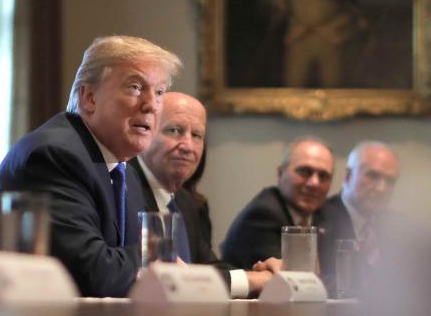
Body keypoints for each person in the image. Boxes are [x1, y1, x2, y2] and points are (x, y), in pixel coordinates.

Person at [0, 35, 181, 297]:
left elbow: (128, 268)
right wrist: (158, 256)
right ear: (89, 97)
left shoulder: (125, 170)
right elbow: (95, 275)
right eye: (135, 87)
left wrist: (152, 262)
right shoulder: (55, 155)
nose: (151, 105)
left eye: (158, 92)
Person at [130, 92, 278, 297]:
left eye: (197, 135)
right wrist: (255, 280)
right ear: (145, 132)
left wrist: (261, 273)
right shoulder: (123, 189)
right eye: (174, 130)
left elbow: (206, 267)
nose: (188, 146)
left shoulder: (186, 202)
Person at [221, 137, 340, 272]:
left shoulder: (330, 214)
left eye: (323, 176)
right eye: (304, 171)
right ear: (280, 174)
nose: (314, 183)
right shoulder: (262, 215)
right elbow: (289, 281)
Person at [322, 141, 400, 287]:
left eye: (390, 181)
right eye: (372, 176)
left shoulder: (401, 226)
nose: (381, 188)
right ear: (347, 176)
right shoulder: (318, 219)